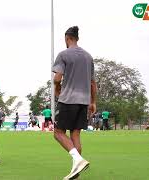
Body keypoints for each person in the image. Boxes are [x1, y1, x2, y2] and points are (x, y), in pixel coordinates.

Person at [52, 26, 97, 179]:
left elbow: (57, 78)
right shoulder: (88, 57)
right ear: (77, 38)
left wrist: (57, 89)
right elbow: (92, 83)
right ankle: (76, 171)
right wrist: (93, 102)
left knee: (58, 133)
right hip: (84, 102)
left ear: (67, 38)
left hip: (68, 100)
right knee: (75, 135)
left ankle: (78, 160)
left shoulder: (63, 54)